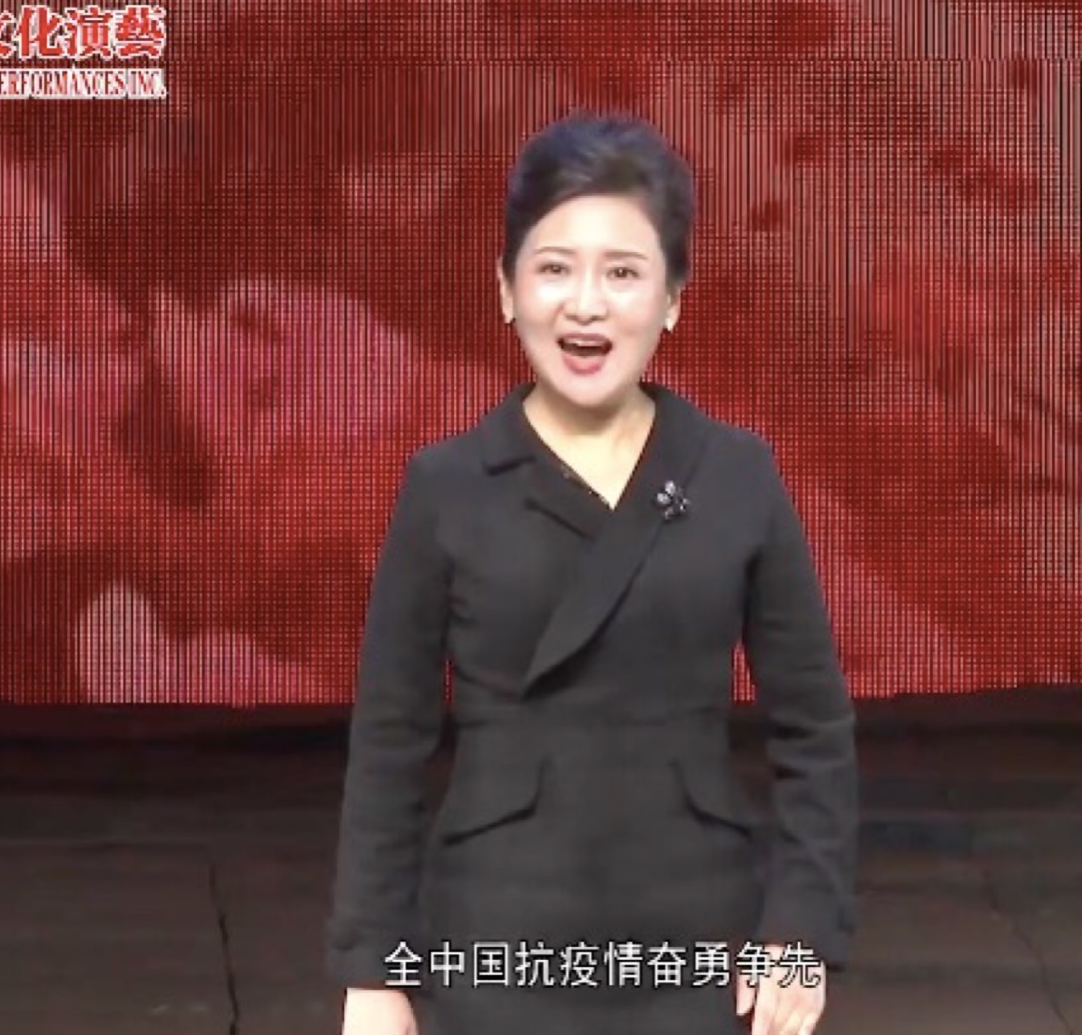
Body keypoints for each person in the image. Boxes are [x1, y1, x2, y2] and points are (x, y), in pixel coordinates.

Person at [327, 111, 858, 1035]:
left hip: (698, 939)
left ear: (673, 297)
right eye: (554, 269)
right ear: (505, 288)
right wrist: (374, 971)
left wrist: (801, 931)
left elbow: (813, 728)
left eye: (622, 273)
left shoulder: (735, 474)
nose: (585, 305)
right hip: (497, 938)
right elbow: (389, 744)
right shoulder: (446, 486)